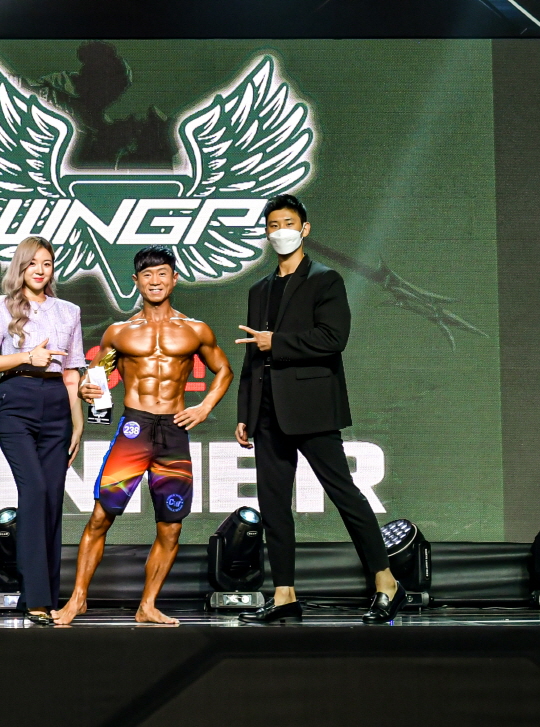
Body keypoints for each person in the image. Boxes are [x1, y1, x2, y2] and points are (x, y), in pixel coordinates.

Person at [234, 195, 402, 625]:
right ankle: (284, 594)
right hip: (266, 410)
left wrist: (278, 343)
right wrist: (244, 412)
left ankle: (386, 582)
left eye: (288, 223)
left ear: (304, 229)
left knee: (344, 493)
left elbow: (333, 338)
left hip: (311, 407)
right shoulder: (259, 289)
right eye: (273, 225)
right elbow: (252, 355)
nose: (280, 232)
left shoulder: (325, 280)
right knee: (273, 503)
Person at [54, 246, 232, 627]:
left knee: (171, 525)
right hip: (134, 429)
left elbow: (224, 370)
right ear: (136, 281)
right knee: (101, 515)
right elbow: (95, 377)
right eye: (147, 275)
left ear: (174, 278)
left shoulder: (195, 330)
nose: (155, 281)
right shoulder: (119, 332)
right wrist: (87, 388)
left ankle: (147, 605)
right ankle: (77, 599)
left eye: (162, 273)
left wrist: (203, 408)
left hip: (174, 431)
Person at [0, 237, 86, 625]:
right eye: (32, 263)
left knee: (52, 498)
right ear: (20, 267)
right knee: (34, 490)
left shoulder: (69, 311)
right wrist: (27, 357)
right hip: (16, 400)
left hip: (57, 404)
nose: (40, 270)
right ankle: (34, 597)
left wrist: (78, 421)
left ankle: (48, 598)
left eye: (47, 263)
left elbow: (72, 372)